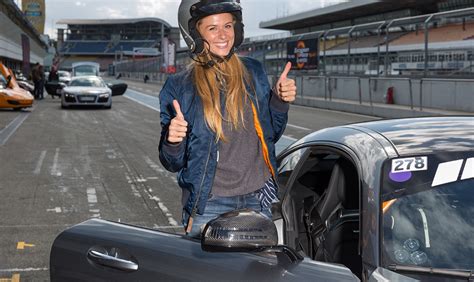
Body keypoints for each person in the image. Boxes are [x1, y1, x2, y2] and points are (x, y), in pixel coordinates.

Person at [158, 0, 296, 238]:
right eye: (212, 28)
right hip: (210, 204)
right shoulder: (179, 85)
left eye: (228, 26)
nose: (223, 35)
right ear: (194, 35)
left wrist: (280, 101)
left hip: (257, 199)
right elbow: (173, 163)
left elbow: (271, 133)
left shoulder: (254, 71)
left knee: (257, 274)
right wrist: (173, 140)